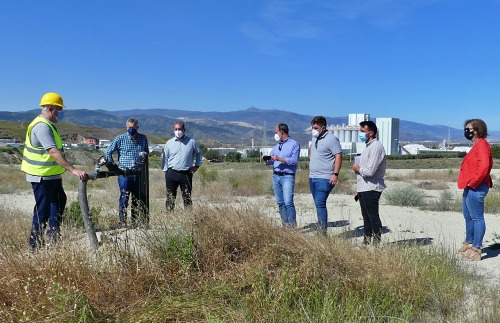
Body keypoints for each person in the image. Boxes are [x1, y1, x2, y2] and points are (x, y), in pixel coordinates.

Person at [21, 92, 87, 250]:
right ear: (50, 108)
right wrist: (73, 169)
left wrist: (57, 174)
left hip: (50, 175)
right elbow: (53, 152)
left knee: (58, 201)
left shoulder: (48, 124)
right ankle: (34, 246)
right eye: (58, 110)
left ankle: (54, 235)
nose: (60, 113)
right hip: (41, 176)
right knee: (42, 210)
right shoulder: (42, 126)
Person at [457, 119, 493, 261]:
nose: (467, 131)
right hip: (469, 185)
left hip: (476, 186)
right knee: (468, 216)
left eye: (469, 129)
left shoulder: (482, 145)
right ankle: (469, 242)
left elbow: (484, 167)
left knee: (477, 218)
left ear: (477, 130)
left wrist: (473, 183)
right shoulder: (476, 145)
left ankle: (476, 249)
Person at [104, 118, 149, 228]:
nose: (131, 129)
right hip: (124, 173)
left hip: (137, 173)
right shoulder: (120, 138)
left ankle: (135, 222)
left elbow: (146, 152)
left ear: (137, 127)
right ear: (126, 127)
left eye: (133, 128)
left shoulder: (143, 138)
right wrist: (113, 166)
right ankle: (122, 222)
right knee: (124, 197)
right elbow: (107, 152)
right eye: (129, 127)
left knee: (137, 198)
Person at [352, 121, 387, 245]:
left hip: (372, 187)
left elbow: (370, 171)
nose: (360, 134)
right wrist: (358, 188)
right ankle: (366, 241)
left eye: (362, 131)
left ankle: (377, 241)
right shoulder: (367, 146)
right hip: (364, 187)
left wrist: (358, 169)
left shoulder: (376, 147)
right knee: (366, 216)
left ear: (371, 132)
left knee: (373, 216)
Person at [308, 116, 342, 235]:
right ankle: (321, 227)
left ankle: (322, 232)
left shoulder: (332, 139)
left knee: (320, 203)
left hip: (325, 177)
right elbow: (312, 150)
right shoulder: (314, 137)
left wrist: (335, 174)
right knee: (318, 204)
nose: (314, 130)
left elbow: (338, 156)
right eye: (313, 127)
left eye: (316, 128)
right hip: (312, 176)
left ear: (323, 127)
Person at [264, 123, 300, 227]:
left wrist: (279, 159)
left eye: (276, 132)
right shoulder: (276, 147)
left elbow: (293, 161)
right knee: (280, 202)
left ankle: (292, 225)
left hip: (287, 176)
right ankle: (285, 224)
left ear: (281, 132)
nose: (275, 134)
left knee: (288, 202)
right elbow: (272, 161)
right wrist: (267, 161)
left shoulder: (294, 144)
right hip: (276, 176)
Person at [162, 121, 203, 211]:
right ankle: (169, 216)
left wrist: (197, 166)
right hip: (172, 173)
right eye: (176, 129)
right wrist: (165, 171)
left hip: (186, 174)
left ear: (184, 130)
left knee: (187, 197)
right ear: (173, 130)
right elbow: (165, 157)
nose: (178, 131)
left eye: (180, 129)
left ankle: (188, 216)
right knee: (170, 197)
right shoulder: (169, 143)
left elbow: (199, 154)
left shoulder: (192, 142)